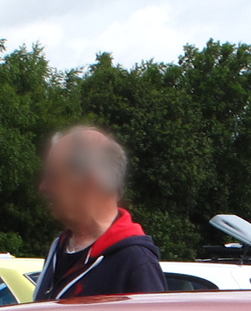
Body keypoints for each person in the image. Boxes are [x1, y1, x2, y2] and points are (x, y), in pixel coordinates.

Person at [32, 126, 164, 300]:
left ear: (90, 182)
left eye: (54, 177)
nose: (44, 187)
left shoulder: (136, 262)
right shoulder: (59, 247)